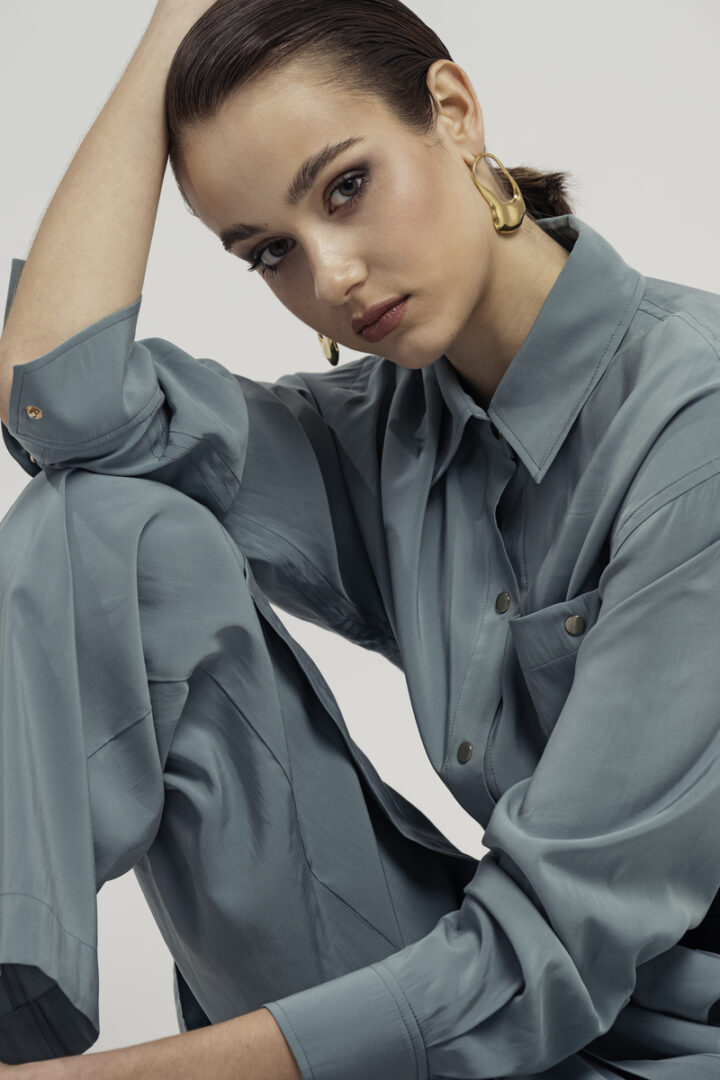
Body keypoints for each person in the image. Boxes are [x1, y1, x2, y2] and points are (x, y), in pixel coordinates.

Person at [1, 0, 720, 1077]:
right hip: (480, 1011)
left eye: (346, 187)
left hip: (638, 1041)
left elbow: (549, 956)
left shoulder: (695, 426)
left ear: (454, 112)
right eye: (270, 251)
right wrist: (174, 19)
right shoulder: (381, 436)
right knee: (103, 523)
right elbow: (61, 405)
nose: (331, 276)